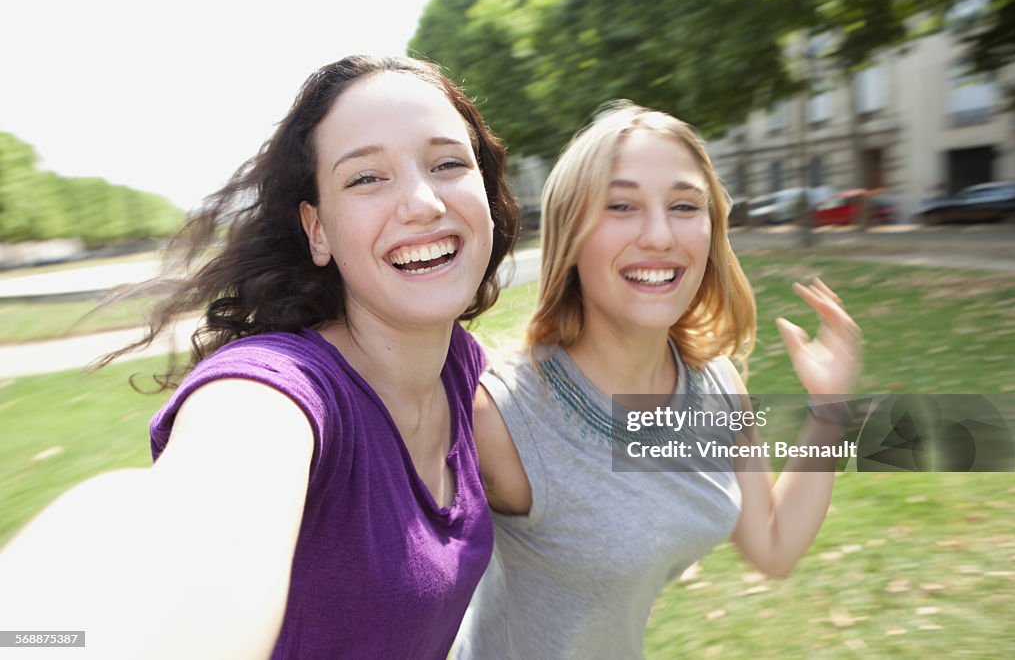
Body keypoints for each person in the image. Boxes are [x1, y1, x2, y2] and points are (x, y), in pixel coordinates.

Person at [0, 55, 519, 659]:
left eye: (448, 163)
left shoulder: (459, 367)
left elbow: (570, 460)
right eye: (365, 178)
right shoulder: (271, 394)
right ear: (317, 230)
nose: (422, 201)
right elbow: (178, 538)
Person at [454, 102, 862, 658]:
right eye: (621, 205)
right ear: (572, 233)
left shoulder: (716, 386)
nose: (659, 235)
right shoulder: (503, 417)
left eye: (684, 205)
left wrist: (829, 407)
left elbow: (773, 545)